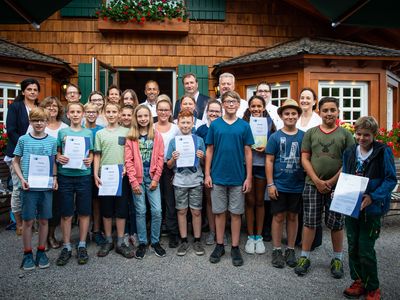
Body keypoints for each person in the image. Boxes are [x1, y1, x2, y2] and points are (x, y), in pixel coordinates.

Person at [294, 97, 355, 278]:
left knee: (336, 223)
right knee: (310, 221)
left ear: (338, 112)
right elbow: (305, 158)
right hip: (313, 185)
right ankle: (305, 257)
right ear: (319, 112)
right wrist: (317, 180)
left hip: (338, 186)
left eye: (332, 110)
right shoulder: (311, 133)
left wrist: (332, 181)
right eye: (325, 110)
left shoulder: (345, 135)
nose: (329, 113)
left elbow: (349, 162)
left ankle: (337, 258)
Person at [342, 116, 396, 300]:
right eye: (359, 134)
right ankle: (358, 280)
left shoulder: (383, 152)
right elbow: (345, 175)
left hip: (372, 208)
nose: (362, 138)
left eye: (366, 135)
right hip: (352, 206)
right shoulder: (349, 151)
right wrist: (339, 192)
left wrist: (373, 197)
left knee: (366, 248)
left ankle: (372, 286)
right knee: (352, 245)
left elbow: (390, 180)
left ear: (374, 134)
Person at [205, 91, 254, 267]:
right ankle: (219, 245)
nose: (231, 104)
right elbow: (209, 150)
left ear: (238, 104)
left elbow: (248, 152)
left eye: (234, 101)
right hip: (218, 176)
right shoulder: (216, 125)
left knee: (235, 213)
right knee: (219, 212)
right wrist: (208, 174)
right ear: (223, 104)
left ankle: (234, 247)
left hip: (237, 177)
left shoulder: (244, 126)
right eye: (227, 101)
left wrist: (248, 177)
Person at [13, 107, 58, 270]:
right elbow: (15, 161)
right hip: (29, 187)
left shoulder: (52, 141)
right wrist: (22, 179)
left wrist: (54, 178)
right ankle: (27, 253)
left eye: (42, 120)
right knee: (28, 221)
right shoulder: (23, 140)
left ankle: (41, 251)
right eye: (35, 120)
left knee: (44, 220)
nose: (39, 123)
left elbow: (53, 162)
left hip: (45, 188)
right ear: (30, 122)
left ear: (47, 122)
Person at [266, 99, 305, 268]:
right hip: (279, 184)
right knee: (278, 216)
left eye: (293, 113)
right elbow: (269, 160)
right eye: (287, 113)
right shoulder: (275, 137)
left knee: (293, 216)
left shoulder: (304, 136)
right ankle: (276, 249)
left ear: (298, 116)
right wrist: (270, 184)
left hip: (297, 184)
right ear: (281, 116)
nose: (290, 116)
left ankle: (290, 248)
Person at [94, 102, 135, 259]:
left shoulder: (127, 132)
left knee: (121, 209)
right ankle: (108, 240)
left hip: (121, 176)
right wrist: (95, 174)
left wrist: (126, 166)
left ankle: (120, 242)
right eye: (108, 112)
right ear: (104, 114)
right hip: (104, 177)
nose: (111, 114)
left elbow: (130, 153)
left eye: (114, 112)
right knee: (106, 210)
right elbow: (97, 155)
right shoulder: (100, 134)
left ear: (119, 114)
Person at [125, 105, 165, 259]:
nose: (143, 119)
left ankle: (155, 241)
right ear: (136, 118)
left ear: (150, 117)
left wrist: (156, 178)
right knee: (140, 211)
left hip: (152, 178)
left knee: (157, 211)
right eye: (140, 116)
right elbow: (128, 161)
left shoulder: (156, 135)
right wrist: (133, 181)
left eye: (145, 116)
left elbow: (160, 158)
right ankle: (143, 242)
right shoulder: (131, 137)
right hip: (138, 179)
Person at [55, 103, 94, 266]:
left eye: (79, 112)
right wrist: (58, 157)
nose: (76, 114)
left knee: (84, 212)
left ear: (83, 114)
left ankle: (82, 244)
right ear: (68, 115)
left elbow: (91, 152)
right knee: (66, 213)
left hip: (84, 176)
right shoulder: (62, 132)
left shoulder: (88, 133)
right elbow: (57, 152)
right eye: (73, 112)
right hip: (65, 176)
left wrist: (91, 159)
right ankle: (66, 246)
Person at [167, 110, 206, 256]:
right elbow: (169, 165)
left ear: (193, 123)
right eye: (182, 122)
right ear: (178, 123)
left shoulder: (199, 140)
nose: (185, 125)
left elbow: (204, 162)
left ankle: (197, 240)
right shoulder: (173, 142)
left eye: (188, 122)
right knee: (182, 210)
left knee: (196, 211)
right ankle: (183, 240)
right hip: (180, 181)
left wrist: (202, 157)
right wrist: (173, 158)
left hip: (196, 180)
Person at [5, 78, 40, 236]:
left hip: (36, 155)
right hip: (18, 154)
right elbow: (11, 130)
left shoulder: (40, 107)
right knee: (19, 188)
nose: (32, 92)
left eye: (35, 89)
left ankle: (33, 221)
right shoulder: (16, 107)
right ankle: (19, 222)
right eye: (29, 89)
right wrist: (23, 147)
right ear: (23, 91)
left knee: (35, 188)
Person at [242, 95, 276, 255]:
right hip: (246, 166)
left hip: (262, 165)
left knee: (260, 202)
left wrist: (267, 147)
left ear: (264, 107)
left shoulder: (269, 124)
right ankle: (250, 236)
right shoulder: (243, 124)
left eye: (259, 106)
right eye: (253, 106)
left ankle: (259, 236)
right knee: (249, 201)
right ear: (249, 108)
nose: (256, 109)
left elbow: (275, 145)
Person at [36, 97, 68, 249]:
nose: (52, 108)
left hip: (59, 171)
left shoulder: (64, 127)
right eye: (48, 106)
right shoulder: (39, 124)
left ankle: (51, 235)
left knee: (55, 206)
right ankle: (42, 238)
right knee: (42, 204)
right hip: (41, 171)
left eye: (55, 106)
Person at [295, 87, 323, 250]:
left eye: (308, 98)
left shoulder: (317, 120)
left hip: (312, 166)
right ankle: (299, 237)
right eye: (302, 97)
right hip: (296, 166)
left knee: (313, 206)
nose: (304, 100)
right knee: (299, 205)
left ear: (314, 101)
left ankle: (313, 240)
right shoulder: (296, 118)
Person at [154, 95, 180, 248]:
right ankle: (155, 232)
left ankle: (172, 233)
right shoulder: (151, 127)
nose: (163, 112)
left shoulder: (176, 128)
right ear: (156, 111)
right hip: (154, 168)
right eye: (160, 109)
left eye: (166, 110)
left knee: (170, 201)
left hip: (170, 167)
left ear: (171, 111)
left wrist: (175, 170)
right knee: (156, 201)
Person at [196, 100, 222, 245]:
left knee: (224, 204)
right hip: (206, 170)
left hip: (222, 170)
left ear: (221, 113)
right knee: (210, 202)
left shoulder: (224, 127)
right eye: (211, 111)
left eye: (217, 111)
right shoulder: (201, 130)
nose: (213, 113)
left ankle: (222, 232)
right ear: (206, 112)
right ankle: (212, 232)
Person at [83, 103, 105, 246]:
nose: (91, 114)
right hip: (81, 171)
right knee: (84, 203)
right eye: (88, 112)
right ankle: (84, 233)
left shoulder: (101, 130)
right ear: (84, 113)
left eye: (94, 112)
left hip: (97, 171)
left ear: (98, 114)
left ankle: (96, 230)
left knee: (97, 203)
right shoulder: (79, 129)